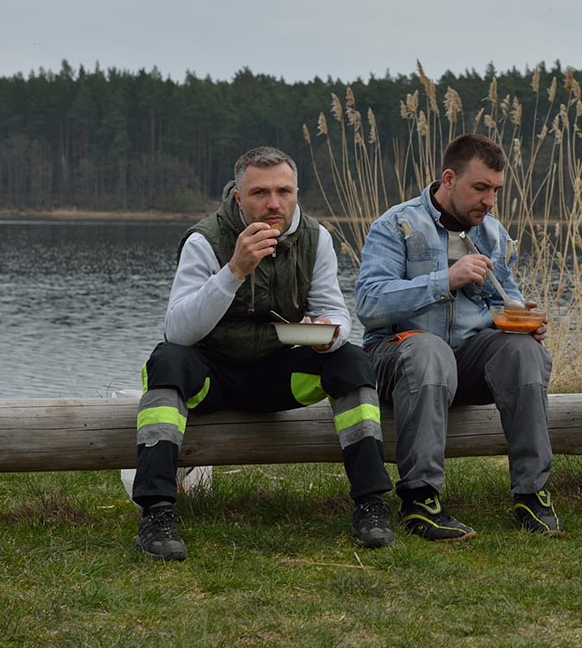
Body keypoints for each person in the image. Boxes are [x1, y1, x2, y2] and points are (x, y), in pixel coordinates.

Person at [132, 146, 394, 561]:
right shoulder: (204, 240)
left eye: (284, 192)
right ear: (238, 197)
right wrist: (234, 270)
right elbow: (177, 330)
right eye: (260, 193)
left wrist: (328, 335)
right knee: (166, 360)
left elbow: (336, 313)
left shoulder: (316, 238)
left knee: (352, 359)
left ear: (296, 193)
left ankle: (371, 504)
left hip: (281, 378)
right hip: (212, 379)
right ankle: (156, 512)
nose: (274, 204)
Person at [354, 134, 562, 541]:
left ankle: (531, 493)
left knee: (525, 352)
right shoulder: (397, 225)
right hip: (398, 356)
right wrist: (444, 280)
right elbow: (369, 303)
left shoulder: (494, 235)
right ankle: (421, 498)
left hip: (465, 359)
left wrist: (522, 320)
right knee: (428, 350)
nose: (490, 201)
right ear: (449, 179)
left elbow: (505, 298)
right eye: (480, 188)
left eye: (496, 190)